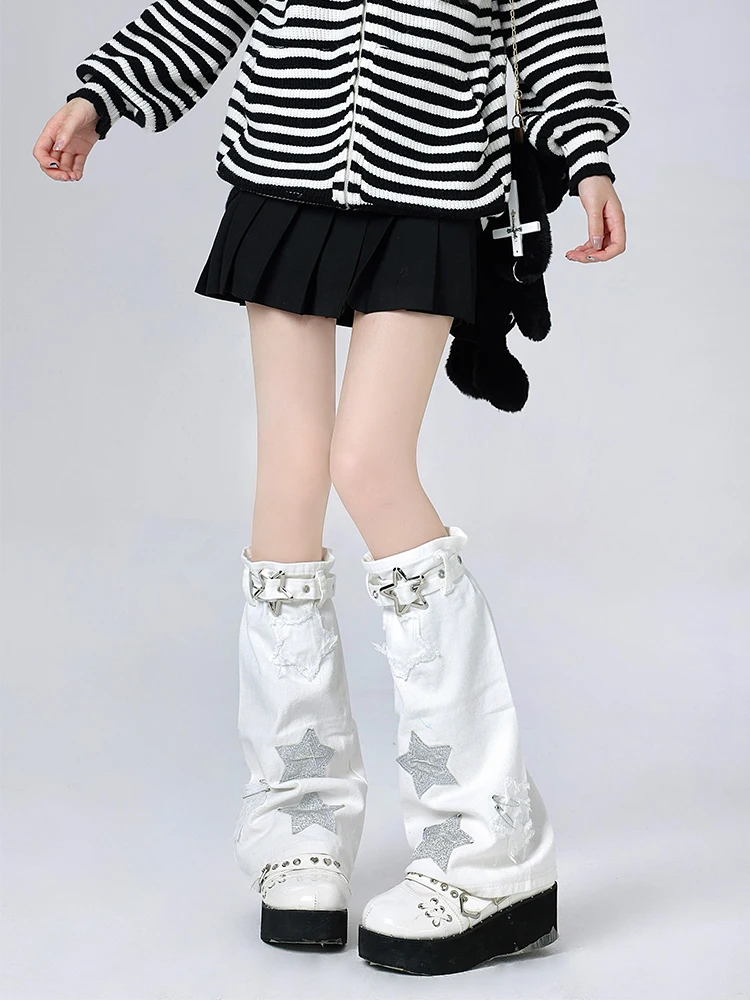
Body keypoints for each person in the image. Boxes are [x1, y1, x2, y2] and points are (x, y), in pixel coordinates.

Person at [32, 0, 630, 977]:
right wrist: (103, 94)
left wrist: (588, 157)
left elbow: (553, 23)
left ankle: (491, 842)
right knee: (291, 472)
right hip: (285, 171)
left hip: (430, 184)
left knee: (370, 464)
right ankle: (300, 818)